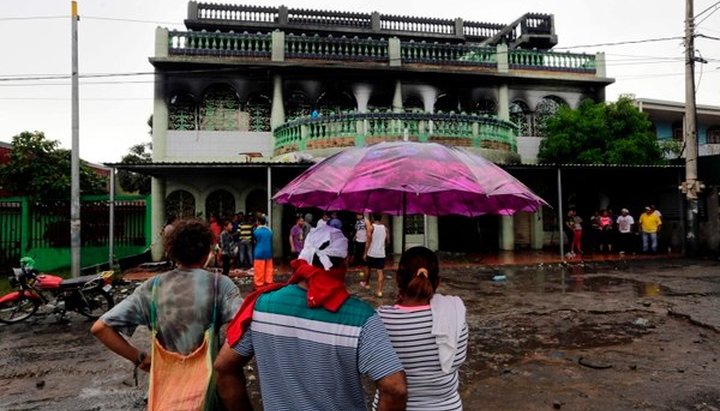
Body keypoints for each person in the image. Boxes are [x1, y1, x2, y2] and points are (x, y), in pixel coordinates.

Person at [214, 225, 407, 411]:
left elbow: (224, 367)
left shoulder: (262, 306)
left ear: (303, 257)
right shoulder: (362, 318)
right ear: (346, 261)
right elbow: (395, 389)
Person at [91, 219, 242, 410]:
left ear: (170, 250)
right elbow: (244, 325)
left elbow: (100, 328)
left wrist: (141, 359)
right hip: (207, 393)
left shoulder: (151, 288)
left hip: (165, 394)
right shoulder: (220, 285)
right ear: (207, 252)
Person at [374, 246, 468, 411]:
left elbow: (375, 373)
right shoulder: (455, 314)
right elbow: (456, 361)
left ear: (397, 279)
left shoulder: (380, 320)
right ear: (437, 281)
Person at [364, 213, 390, 297]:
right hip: (381, 253)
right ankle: (379, 291)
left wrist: (365, 253)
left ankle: (367, 283)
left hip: (371, 252)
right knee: (380, 272)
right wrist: (382, 246)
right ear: (381, 218)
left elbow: (368, 241)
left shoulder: (371, 227)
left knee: (368, 268)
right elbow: (388, 241)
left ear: (373, 218)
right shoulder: (385, 228)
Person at [252, 215, 274, 289]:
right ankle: (268, 284)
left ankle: (259, 286)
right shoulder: (269, 231)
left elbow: (255, 241)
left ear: (258, 222)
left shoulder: (256, 231)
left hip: (259, 252)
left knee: (259, 271)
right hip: (268, 252)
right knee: (268, 270)